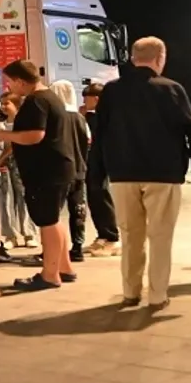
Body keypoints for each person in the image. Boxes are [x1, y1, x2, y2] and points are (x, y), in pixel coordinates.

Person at [88, 37, 191, 310]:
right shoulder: (172, 89)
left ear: (133, 58)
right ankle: (157, 295)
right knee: (161, 237)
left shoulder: (112, 91)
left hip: (122, 173)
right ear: (160, 58)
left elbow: (100, 133)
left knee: (131, 236)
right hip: (163, 173)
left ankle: (130, 292)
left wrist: (97, 174)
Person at [0, 61, 78, 291]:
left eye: (10, 82)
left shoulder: (36, 101)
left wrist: (4, 135)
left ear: (21, 81)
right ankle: (64, 267)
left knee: (47, 222)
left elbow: (35, 135)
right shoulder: (50, 97)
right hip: (57, 168)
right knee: (53, 219)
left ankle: (50, 275)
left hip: (46, 171)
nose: (9, 87)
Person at [51, 80, 90, 264]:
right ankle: (77, 247)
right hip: (79, 170)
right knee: (78, 210)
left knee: (53, 213)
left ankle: (54, 249)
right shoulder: (80, 118)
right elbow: (87, 141)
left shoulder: (55, 117)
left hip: (59, 171)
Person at [0, 93, 38, 250]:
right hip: (5, 167)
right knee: (7, 199)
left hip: (23, 165)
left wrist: (3, 156)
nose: (3, 107)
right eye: (2, 103)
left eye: (7, 103)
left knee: (25, 198)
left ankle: (29, 234)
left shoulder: (25, 125)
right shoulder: (1, 126)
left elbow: (17, 144)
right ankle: (10, 235)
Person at [81, 83, 119, 256]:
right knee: (94, 196)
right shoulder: (93, 115)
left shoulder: (104, 116)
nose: (84, 102)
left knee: (101, 196)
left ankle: (111, 237)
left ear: (96, 99)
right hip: (92, 161)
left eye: (86, 99)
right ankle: (102, 235)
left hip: (102, 161)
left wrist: (84, 116)